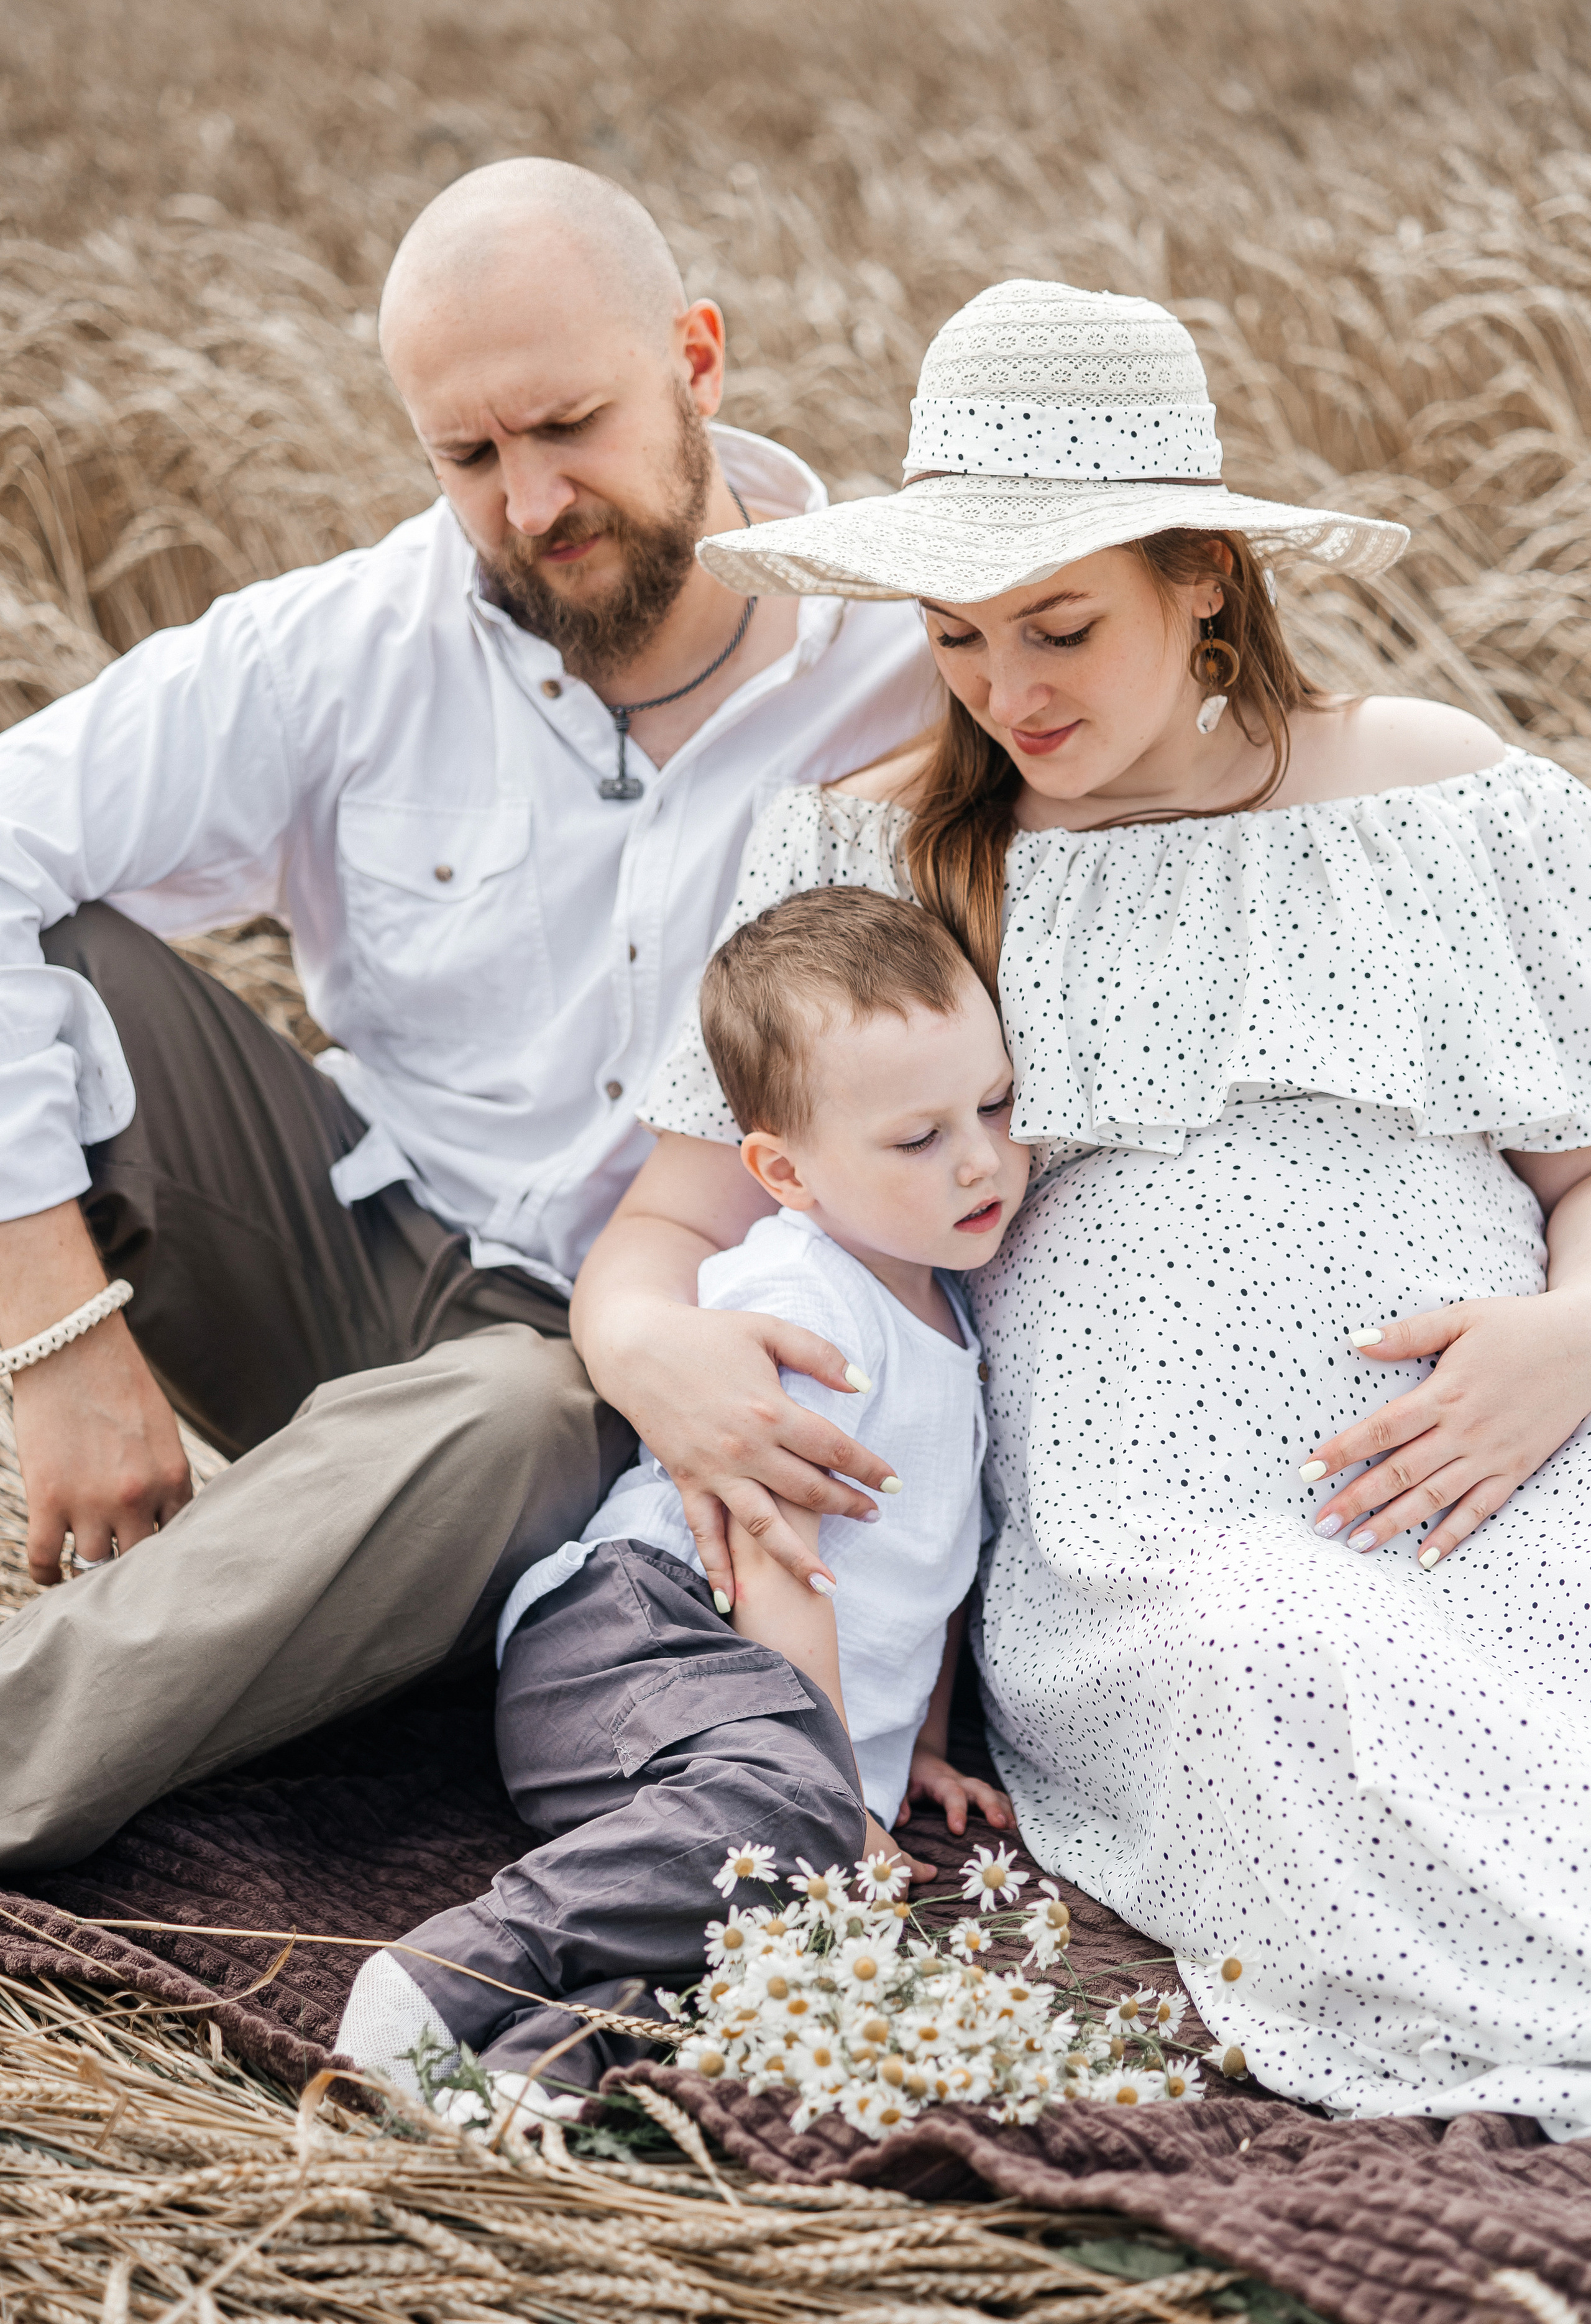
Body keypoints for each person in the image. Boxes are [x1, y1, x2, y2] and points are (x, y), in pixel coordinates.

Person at [574, 280, 1591, 2139]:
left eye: (1062, 626)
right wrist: (666, 1364)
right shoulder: (860, 853)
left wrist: (1572, 1333)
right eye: (958, 637)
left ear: (1205, 574)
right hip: (1164, 1551)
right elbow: (660, 1235)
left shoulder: (1448, 796)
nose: (1007, 692)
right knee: (1283, 1665)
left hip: (1518, 1447)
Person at [0, 158, 937, 1873]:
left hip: (635, 1369)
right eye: (470, 457)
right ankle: (327, 1559)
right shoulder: (344, 645)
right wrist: (53, 1330)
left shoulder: (906, 660)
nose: (530, 503)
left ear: (700, 361)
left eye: (570, 426)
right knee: (56, 936)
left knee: (505, 1413)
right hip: (345, 1257)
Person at [334, 885, 1024, 2095]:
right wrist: (823, 1782)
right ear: (781, 1171)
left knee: (750, 1940)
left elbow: (928, 1574)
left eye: (996, 1105)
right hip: (634, 1642)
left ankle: (522, 2078)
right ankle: (446, 1972)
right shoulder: (804, 1301)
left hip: (758, 1736)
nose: (978, 1158)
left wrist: (911, 1748)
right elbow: (773, 1550)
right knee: (784, 1845)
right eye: (917, 1139)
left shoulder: (955, 1317)